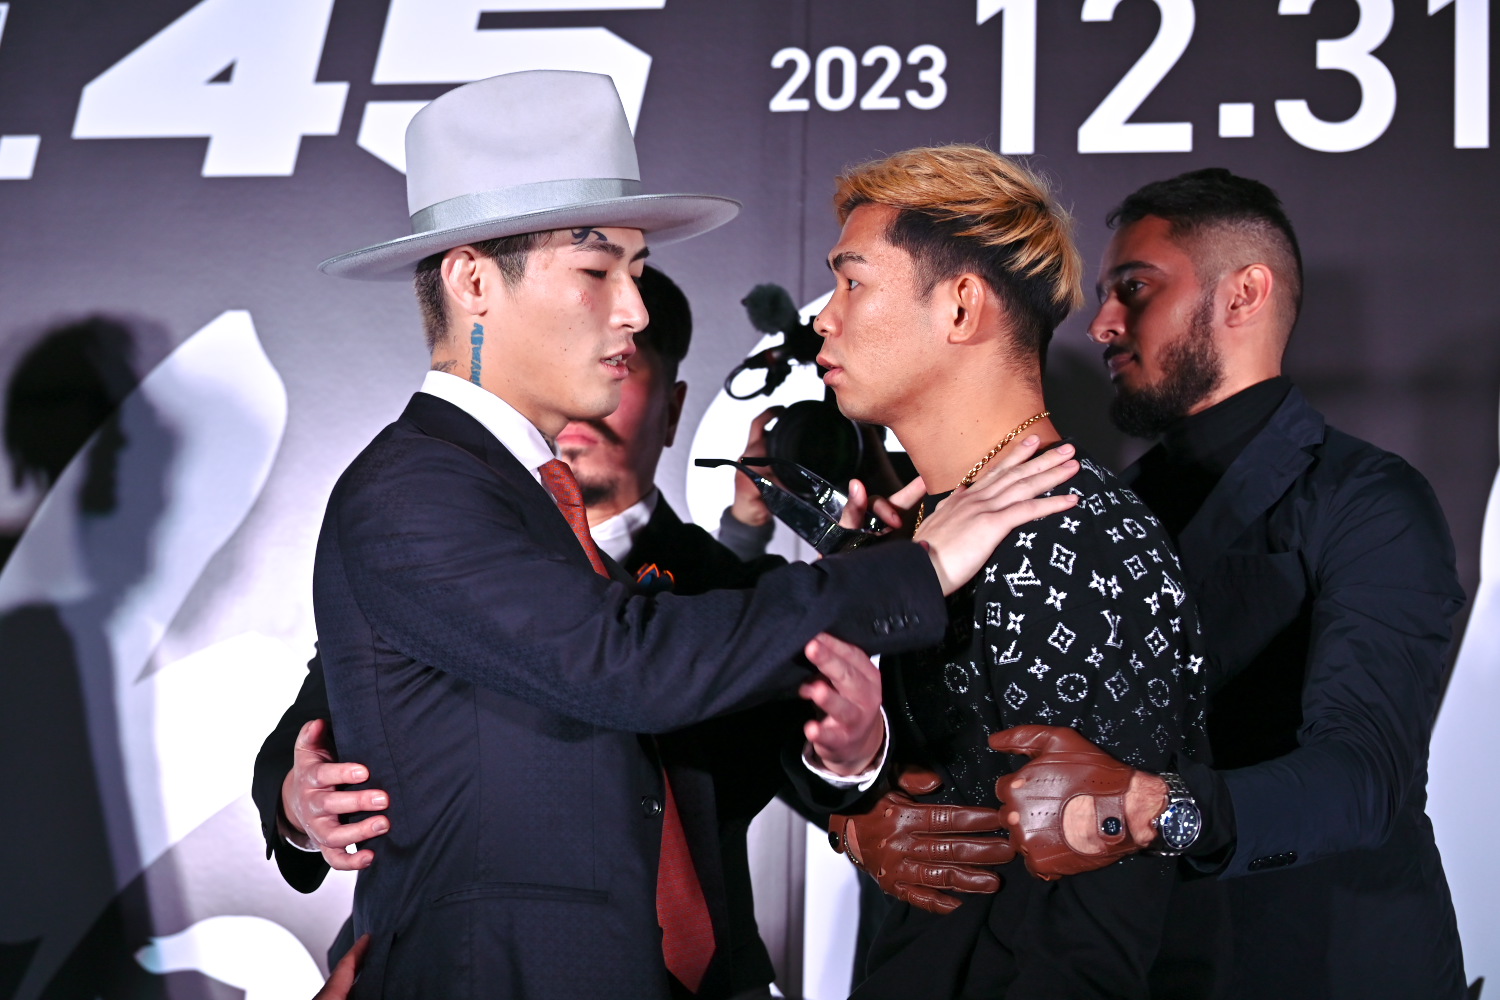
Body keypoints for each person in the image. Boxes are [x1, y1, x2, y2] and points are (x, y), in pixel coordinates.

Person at [300, 70, 1080, 999]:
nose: (634, 310)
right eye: (597, 273)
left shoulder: (514, 495)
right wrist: (924, 564)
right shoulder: (413, 491)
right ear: (473, 281)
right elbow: (625, 664)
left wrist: (850, 756)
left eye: (635, 272)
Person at [894, 168, 1468, 999]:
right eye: (1104, 295)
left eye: (1135, 288)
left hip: (1325, 964)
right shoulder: (1091, 508)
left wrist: (1152, 807)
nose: (1102, 323)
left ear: (1244, 295)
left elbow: (1366, 776)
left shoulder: (1369, 500)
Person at [255, 264, 804, 998]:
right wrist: (298, 801)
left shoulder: (738, 591)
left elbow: (797, 756)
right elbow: (319, 714)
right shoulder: (434, 537)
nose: (587, 394)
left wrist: (856, 800)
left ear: (672, 410)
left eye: (620, 364)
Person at [803, 145, 1211, 999]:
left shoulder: (1078, 539)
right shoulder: (914, 537)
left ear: (960, 306)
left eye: (853, 282)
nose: (824, 319)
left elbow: (1095, 927)